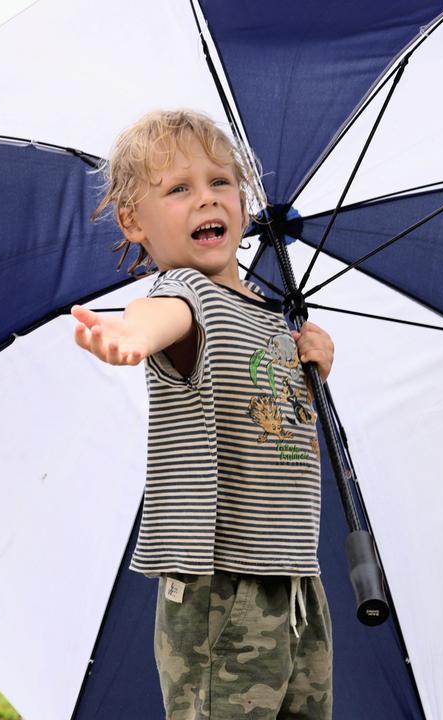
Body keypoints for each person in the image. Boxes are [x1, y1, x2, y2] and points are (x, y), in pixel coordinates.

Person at [70, 109, 334, 720]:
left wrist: (315, 361)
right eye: (178, 189)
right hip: (224, 582)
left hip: (294, 573)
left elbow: (279, 420)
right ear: (134, 220)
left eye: (220, 183)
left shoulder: (274, 316)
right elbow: (156, 316)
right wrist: (128, 338)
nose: (205, 199)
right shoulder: (184, 296)